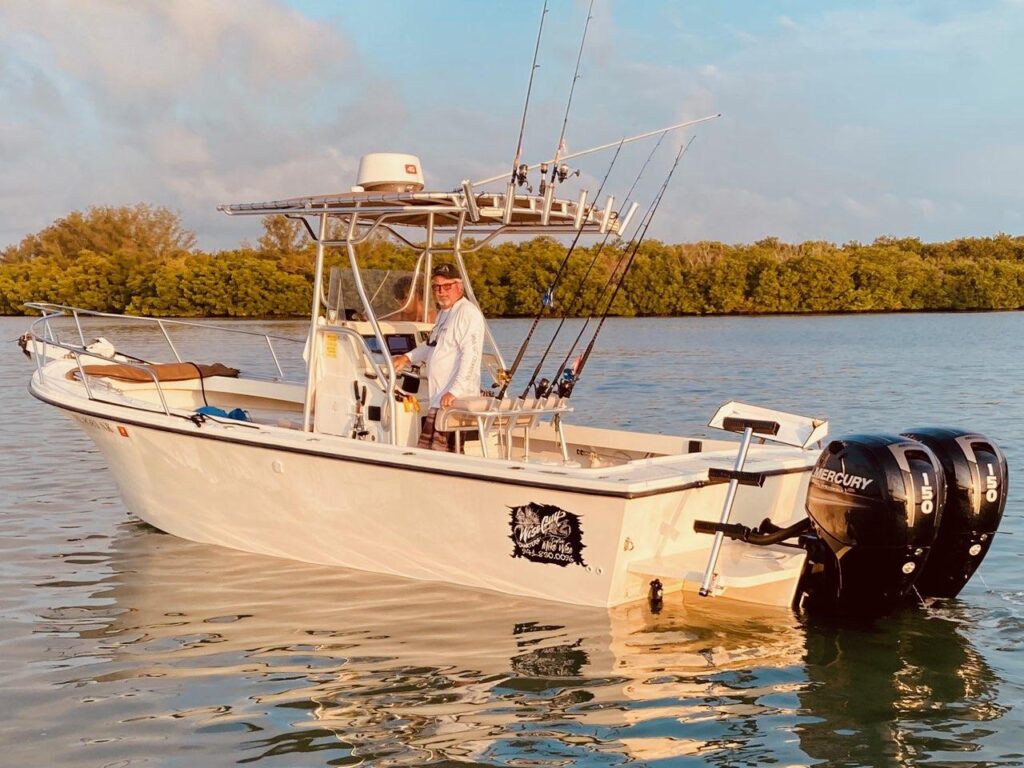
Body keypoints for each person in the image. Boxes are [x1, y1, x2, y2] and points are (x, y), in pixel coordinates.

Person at [392, 263, 484, 451]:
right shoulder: (444, 313)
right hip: (438, 398)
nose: (441, 291)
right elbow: (431, 345)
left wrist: (455, 391)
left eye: (446, 286)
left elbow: (472, 356)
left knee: (447, 452)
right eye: (437, 287)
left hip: (453, 400)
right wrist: (407, 358)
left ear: (459, 287)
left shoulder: (467, 313)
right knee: (430, 451)